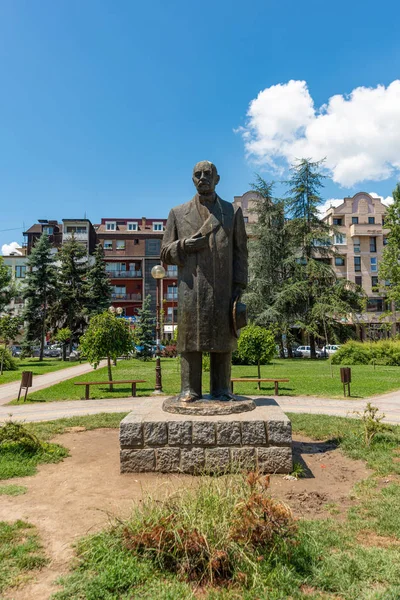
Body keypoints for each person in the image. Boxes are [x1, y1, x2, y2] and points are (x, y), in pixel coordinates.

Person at [160, 160, 248, 401]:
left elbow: (241, 251)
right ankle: (189, 389)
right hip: (191, 287)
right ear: (192, 179)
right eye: (197, 174)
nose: (202, 178)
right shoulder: (177, 213)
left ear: (217, 179)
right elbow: (164, 252)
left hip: (223, 287)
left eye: (207, 174)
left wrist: (239, 287)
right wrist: (184, 245)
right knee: (190, 339)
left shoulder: (232, 212)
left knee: (222, 337)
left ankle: (221, 389)